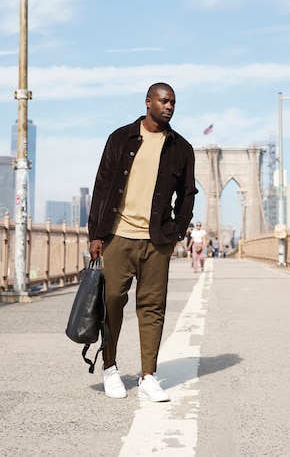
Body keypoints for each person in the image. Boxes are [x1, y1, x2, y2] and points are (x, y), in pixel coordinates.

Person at [88, 82, 197, 402]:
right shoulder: (120, 138)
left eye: (173, 102)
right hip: (118, 236)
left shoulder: (182, 148)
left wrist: (177, 231)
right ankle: (110, 368)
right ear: (148, 101)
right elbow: (102, 185)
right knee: (111, 305)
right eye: (164, 100)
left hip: (156, 241)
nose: (169, 106)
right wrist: (95, 233)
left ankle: (149, 375)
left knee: (153, 308)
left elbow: (188, 195)